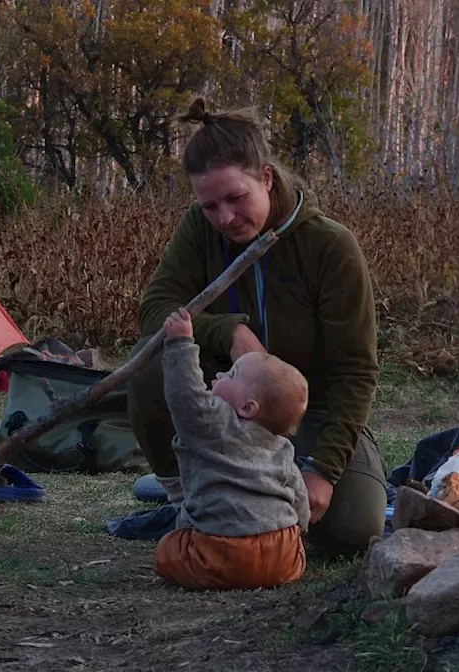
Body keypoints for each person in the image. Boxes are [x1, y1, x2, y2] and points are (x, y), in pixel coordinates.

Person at [126, 98, 387, 554]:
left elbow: (356, 372)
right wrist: (225, 330)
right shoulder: (200, 229)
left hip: (310, 413)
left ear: (266, 177)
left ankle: (241, 495)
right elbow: (156, 311)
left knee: (351, 531)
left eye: (235, 198)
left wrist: (323, 472)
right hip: (223, 404)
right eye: (209, 206)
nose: (224, 218)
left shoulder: (330, 246)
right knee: (151, 362)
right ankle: (185, 502)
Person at [152, 308, 311, 590]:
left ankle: (216, 567)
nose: (222, 373)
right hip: (284, 554)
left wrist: (181, 345)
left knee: (168, 550)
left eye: (232, 374)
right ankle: (275, 569)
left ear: (248, 407)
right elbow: (300, 500)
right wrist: (300, 530)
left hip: (222, 550)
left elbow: (186, 396)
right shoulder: (282, 447)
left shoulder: (214, 426)